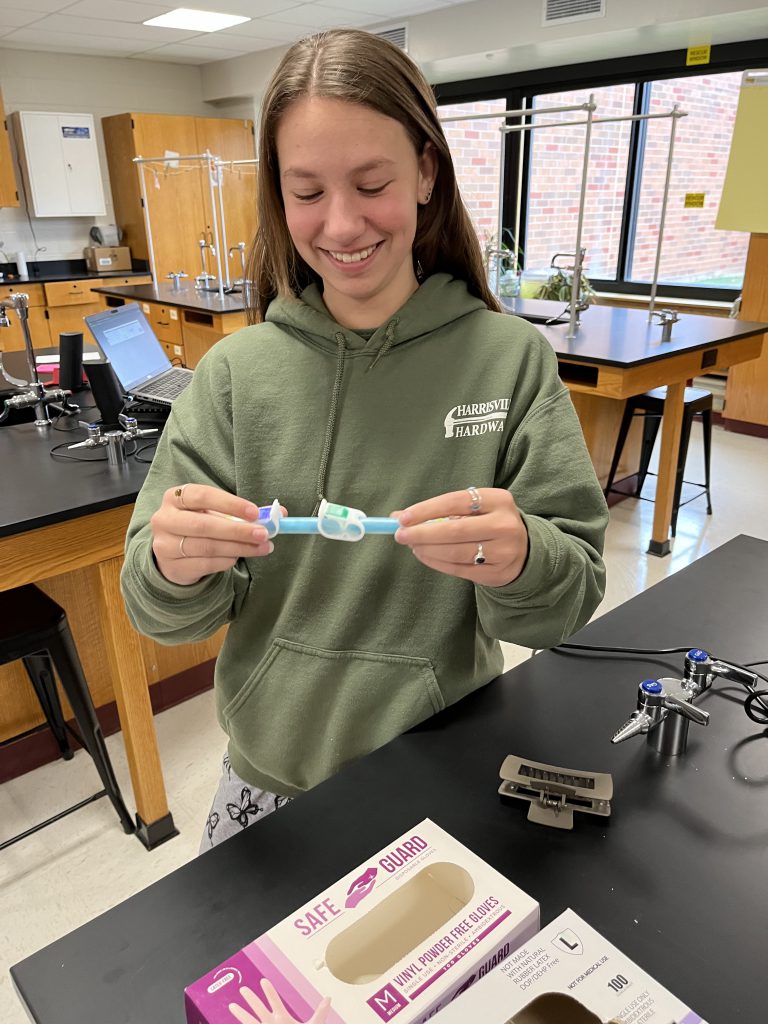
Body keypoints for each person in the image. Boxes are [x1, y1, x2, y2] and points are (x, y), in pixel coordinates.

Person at [121, 29, 609, 851]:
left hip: (443, 773)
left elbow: (571, 601)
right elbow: (156, 609)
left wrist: (523, 553)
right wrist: (174, 562)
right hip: (266, 785)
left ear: (426, 171)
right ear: (276, 195)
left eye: (372, 183)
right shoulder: (236, 374)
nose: (341, 224)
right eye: (306, 190)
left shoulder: (508, 359)